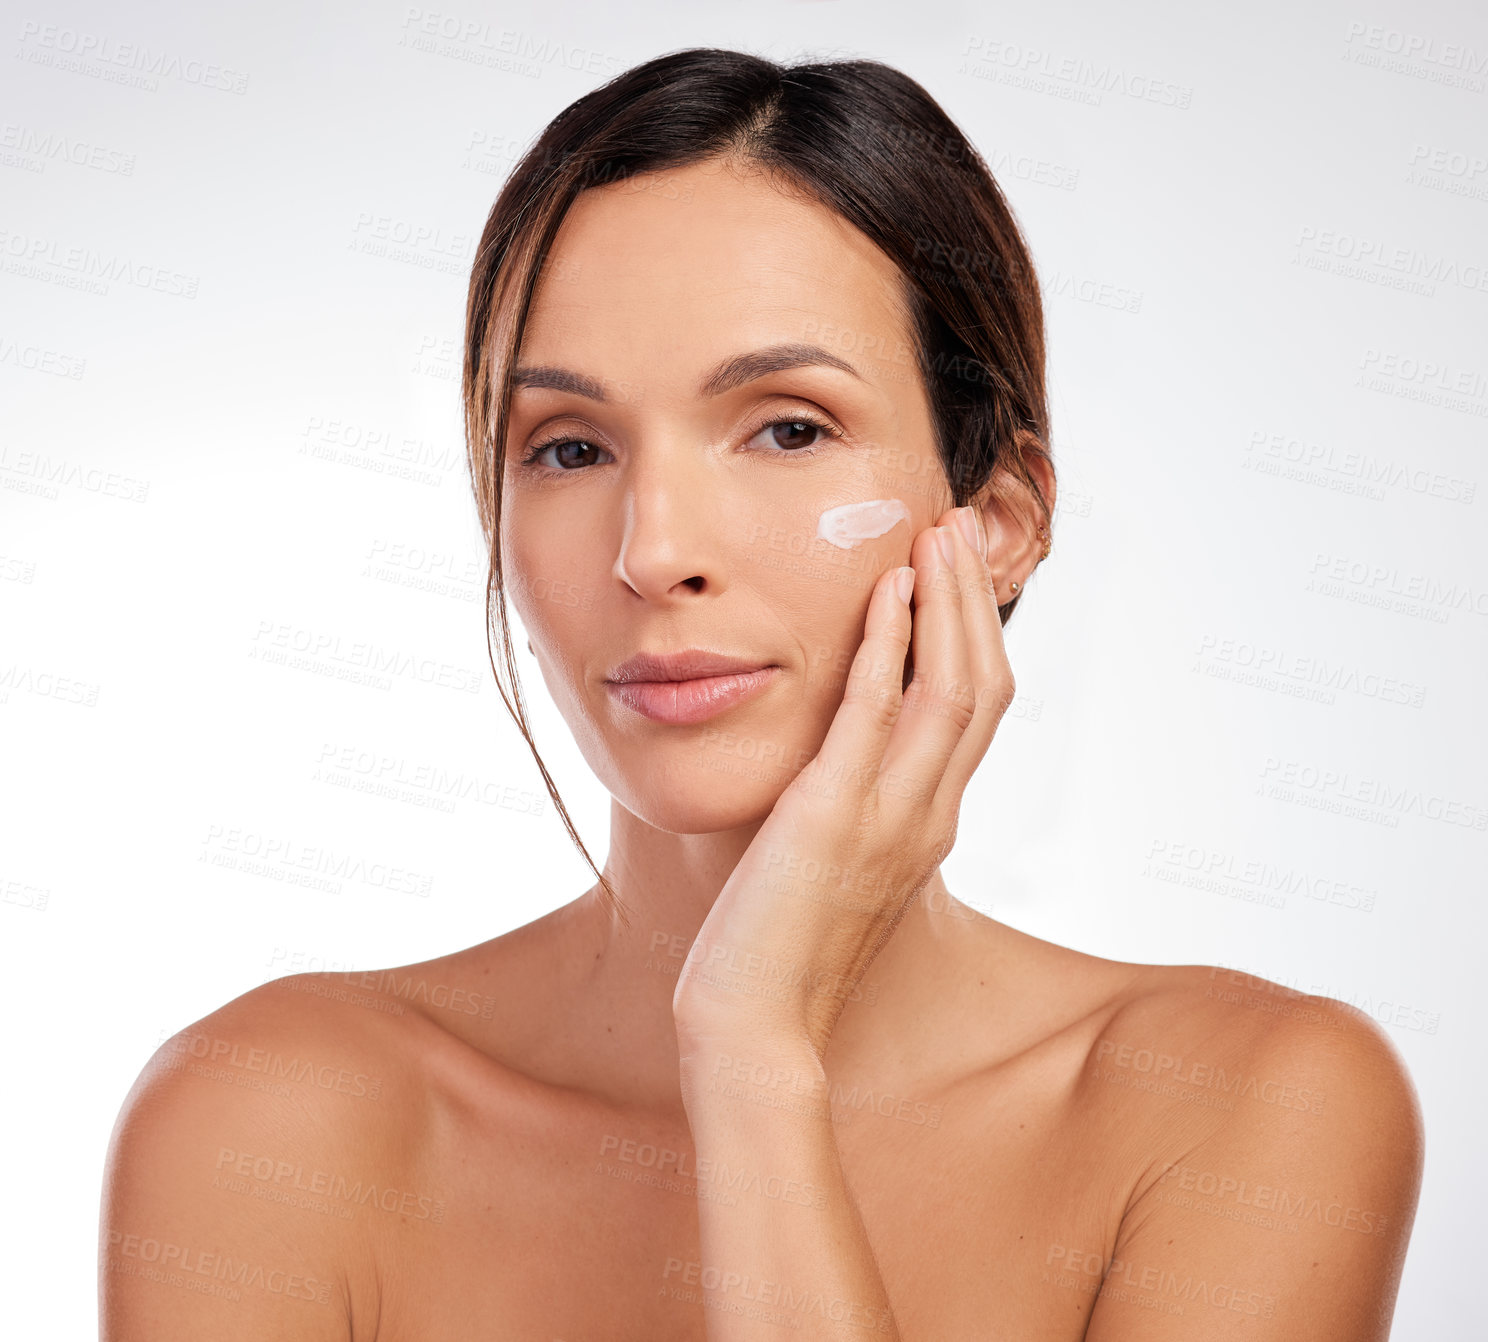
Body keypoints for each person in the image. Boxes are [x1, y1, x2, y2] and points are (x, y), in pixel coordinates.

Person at [100, 47, 1423, 1340]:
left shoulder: (1248, 1110)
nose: (654, 548)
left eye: (788, 427)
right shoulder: (267, 1126)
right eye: (567, 447)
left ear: (1002, 518)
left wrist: (751, 1055)